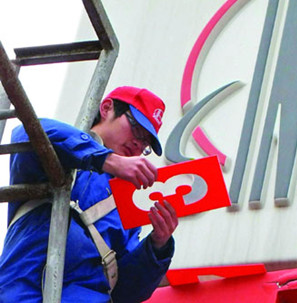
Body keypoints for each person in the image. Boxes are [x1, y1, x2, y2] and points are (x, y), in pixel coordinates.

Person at [0, 86, 178, 302]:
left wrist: (157, 246)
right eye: (136, 129)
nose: (139, 144)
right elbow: (26, 132)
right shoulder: (63, 152)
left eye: (146, 144)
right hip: (22, 291)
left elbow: (125, 292)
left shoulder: (127, 201)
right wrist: (106, 159)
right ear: (106, 108)